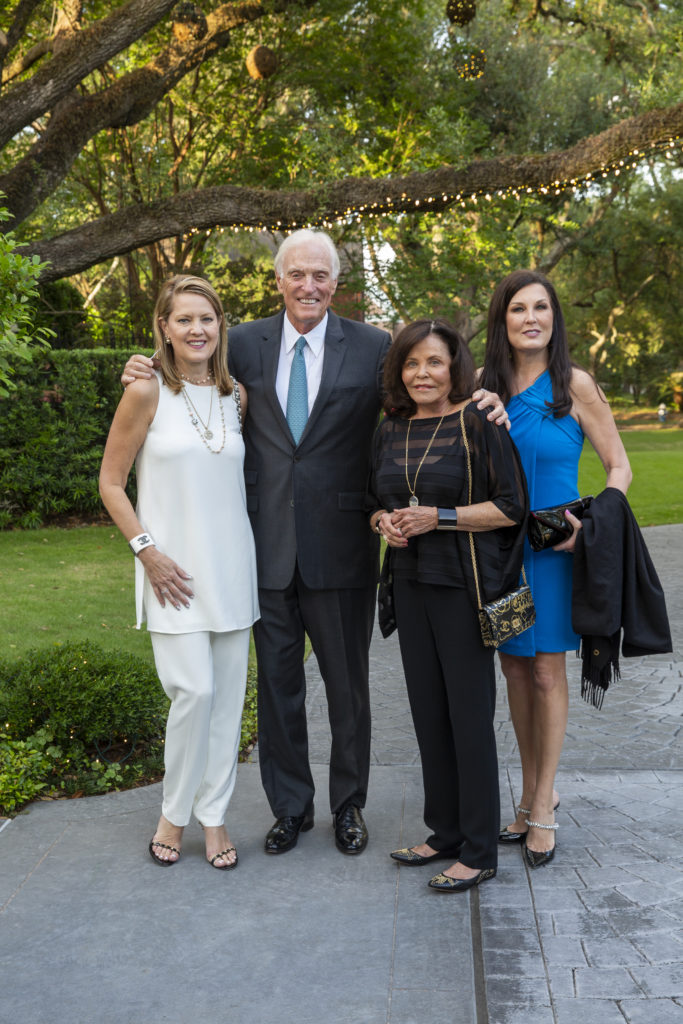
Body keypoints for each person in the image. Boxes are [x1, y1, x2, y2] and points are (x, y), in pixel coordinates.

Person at [121, 230, 509, 857]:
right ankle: (289, 809)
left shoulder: (376, 346)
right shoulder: (240, 342)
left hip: (344, 546)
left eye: (320, 276)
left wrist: (481, 397)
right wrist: (140, 366)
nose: (308, 286)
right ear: (279, 280)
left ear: (335, 282)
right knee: (277, 690)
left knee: (348, 689)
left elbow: (421, 393)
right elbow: (183, 375)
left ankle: (348, 806)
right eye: (297, 274)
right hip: (260, 547)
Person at [100, 275, 259, 870]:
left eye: (208, 319)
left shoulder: (235, 396)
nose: (197, 330)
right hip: (169, 570)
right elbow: (110, 482)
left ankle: (213, 817)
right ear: (163, 328)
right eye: (184, 319)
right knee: (192, 692)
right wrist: (147, 550)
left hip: (231, 567)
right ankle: (173, 813)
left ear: (221, 327)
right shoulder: (144, 391)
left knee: (226, 701)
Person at [367, 318, 528, 893]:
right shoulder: (390, 427)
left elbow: (511, 506)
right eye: (411, 363)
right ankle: (446, 832)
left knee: (468, 716)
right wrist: (384, 520)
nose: (422, 374)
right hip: (408, 584)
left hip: (463, 587)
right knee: (429, 714)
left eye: (434, 362)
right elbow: (374, 501)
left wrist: (440, 517)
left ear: (454, 365)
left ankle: (481, 847)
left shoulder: (479, 421)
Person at [479, 269, 631, 868]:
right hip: (500, 556)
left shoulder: (575, 386)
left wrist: (592, 528)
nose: (531, 318)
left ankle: (541, 804)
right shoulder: (483, 388)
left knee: (546, 673)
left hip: (552, 553)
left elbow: (618, 467)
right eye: (519, 309)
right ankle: (530, 791)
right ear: (503, 320)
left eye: (542, 307)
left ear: (554, 318)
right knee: (514, 673)